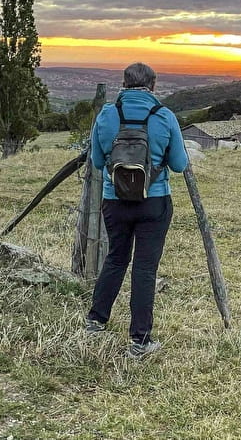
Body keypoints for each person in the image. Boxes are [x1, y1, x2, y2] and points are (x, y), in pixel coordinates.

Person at [85, 62, 189, 359]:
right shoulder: (164, 116)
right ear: (153, 85)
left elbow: (95, 161)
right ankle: (140, 340)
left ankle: (96, 321)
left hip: (114, 200)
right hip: (153, 200)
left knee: (116, 258)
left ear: (124, 83)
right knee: (145, 269)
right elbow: (180, 164)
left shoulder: (107, 114)